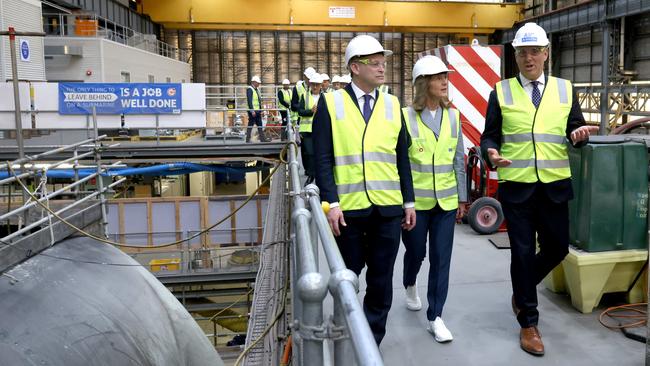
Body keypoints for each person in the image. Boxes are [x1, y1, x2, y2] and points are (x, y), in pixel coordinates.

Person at [480, 22, 598, 356]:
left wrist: (578, 136)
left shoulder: (565, 89)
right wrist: (490, 152)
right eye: (521, 52)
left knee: (557, 247)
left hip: (554, 186)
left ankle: (522, 288)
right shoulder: (501, 91)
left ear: (546, 53)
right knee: (520, 252)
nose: (528, 57)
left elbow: (574, 128)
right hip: (516, 188)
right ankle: (529, 322)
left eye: (534, 51)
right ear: (515, 56)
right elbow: (489, 136)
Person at [313, 34, 416, 345]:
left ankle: (372, 340)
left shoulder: (392, 103)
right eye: (374, 63)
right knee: (348, 278)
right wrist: (331, 203)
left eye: (383, 62)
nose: (381, 68)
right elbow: (322, 158)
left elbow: (402, 157)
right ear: (355, 68)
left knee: (382, 279)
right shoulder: (331, 103)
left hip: (387, 208)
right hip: (349, 210)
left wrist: (409, 201)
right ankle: (346, 334)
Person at [401, 55, 468, 343]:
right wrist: (406, 203)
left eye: (446, 77)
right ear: (423, 83)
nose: (445, 82)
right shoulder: (405, 117)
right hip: (416, 206)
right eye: (438, 77)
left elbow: (458, 161)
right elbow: (400, 164)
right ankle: (409, 282)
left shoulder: (453, 117)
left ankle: (435, 316)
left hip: (446, 202)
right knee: (416, 253)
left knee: (442, 259)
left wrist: (462, 199)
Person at [298, 73, 323, 185]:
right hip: (307, 130)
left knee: (320, 153)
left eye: (317, 85)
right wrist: (310, 111)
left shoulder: (325, 97)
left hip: (321, 130)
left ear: (321, 85)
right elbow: (300, 111)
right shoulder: (304, 96)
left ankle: (317, 176)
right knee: (310, 153)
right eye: (313, 84)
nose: (315, 87)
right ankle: (311, 175)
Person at [246, 75, 267, 142]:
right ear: (254, 82)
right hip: (253, 111)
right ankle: (247, 139)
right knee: (251, 124)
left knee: (260, 125)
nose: (259, 84)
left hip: (257, 111)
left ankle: (262, 139)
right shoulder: (250, 89)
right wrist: (252, 111)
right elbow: (249, 101)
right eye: (258, 82)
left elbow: (259, 101)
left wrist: (262, 110)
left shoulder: (257, 90)